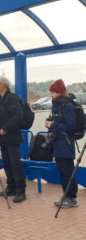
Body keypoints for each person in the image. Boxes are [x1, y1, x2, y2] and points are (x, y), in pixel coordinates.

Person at [0, 76, 26, 203]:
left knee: (15, 164)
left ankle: (21, 191)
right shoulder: (2, 99)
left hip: (11, 138)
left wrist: (5, 128)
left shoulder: (11, 98)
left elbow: (18, 115)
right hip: (3, 138)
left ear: (2, 85)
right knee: (7, 164)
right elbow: (1, 117)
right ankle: (11, 187)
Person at [45, 79, 78, 208]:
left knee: (68, 171)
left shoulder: (67, 106)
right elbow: (58, 122)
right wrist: (49, 123)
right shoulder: (57, 106)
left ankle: (71, 198)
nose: (51, 95)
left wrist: (54, 124)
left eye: (52, 92)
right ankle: (66, 195)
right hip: (58, 143)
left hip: (65, 143)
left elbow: (71, 126)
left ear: (59, 93)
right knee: (62, 171)